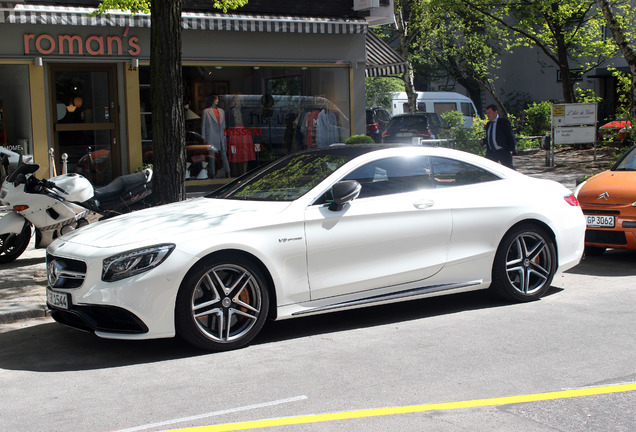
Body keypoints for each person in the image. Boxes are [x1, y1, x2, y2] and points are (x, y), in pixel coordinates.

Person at [201, 94, 231, 178]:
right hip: (211, 135)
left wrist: (225, 135)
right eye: (216, 99)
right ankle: (213, 174)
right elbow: (203, 125)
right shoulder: (206, 111)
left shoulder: (221, 111)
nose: (218, 100)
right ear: (213, 100)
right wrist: (204, 137)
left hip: (221, 136)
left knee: (224, 155)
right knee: (212, 157)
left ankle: (228, 173)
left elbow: (223, 125)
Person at [480, 104, 516, 170]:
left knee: (509, 169)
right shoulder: (488, 124)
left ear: (496, 112)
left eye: (489, 112)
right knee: (487, 169)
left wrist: (512, 149)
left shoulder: (503, 122)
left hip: (502, 151)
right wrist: (483, 141)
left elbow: (510, 136)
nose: (488, 115)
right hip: (491, 152)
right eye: (487, 113)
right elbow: (490, 137)